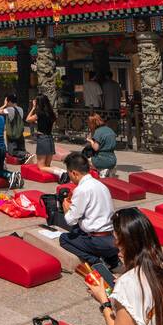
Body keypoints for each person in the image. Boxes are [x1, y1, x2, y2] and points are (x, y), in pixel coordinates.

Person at [58, 151, 119, 280]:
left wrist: (66, 209)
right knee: (79, 230)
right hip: (112, 239)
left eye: (69, 174)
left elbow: (70, 220)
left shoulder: (82, 189)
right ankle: (112, 260)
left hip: (98, 241)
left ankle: (95, 260)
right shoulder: (101, 185)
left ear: (74, 173)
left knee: (64, 238)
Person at [27, 93, 57, 167]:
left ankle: (60, 172)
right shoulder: (51, 113)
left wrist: (33, 108)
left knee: (41, 167)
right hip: (50, 139)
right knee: (47, 165)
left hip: (42, 139)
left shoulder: (39, 113)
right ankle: (60, 173)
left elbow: (28, 119)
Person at [86, 112, 118, 179]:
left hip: (102, 159)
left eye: (89, 124)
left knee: (85, 161)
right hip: (113, 159)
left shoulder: (98, 132)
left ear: (93, 123)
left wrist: (91, 141)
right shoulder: (109, 129)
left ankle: (102, 171)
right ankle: (108, 170)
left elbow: (96, 148)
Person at [2, 93, 26, 160]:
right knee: (21, 149)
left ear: (9, 102)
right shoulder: (20, 109)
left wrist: (4, 105)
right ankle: (24, 155)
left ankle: (25, 155)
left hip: (12, 134)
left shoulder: (9, 109)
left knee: (12, 152)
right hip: (20, 133)